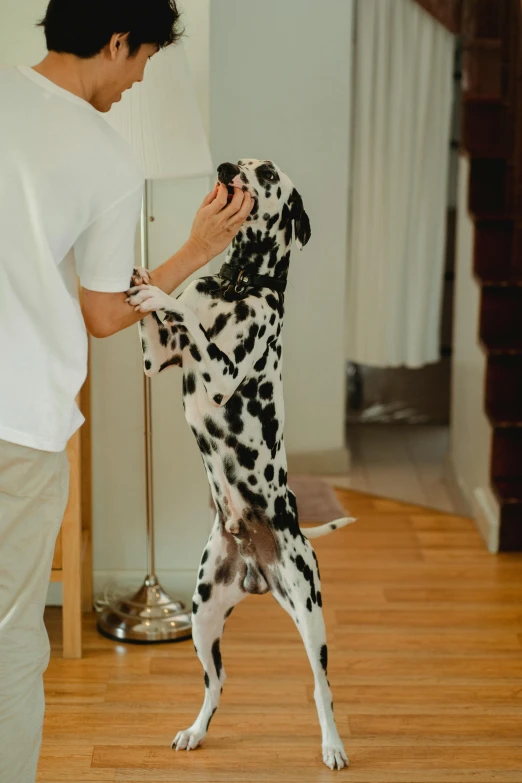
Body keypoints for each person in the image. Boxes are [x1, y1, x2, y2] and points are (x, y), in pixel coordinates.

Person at [0, 1, 253, 780]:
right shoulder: (104, 155)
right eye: (143, 57)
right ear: (115, 43)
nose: (141, 76)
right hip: (17, 427)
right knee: (8, 639)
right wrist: (197, 249)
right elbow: (107, 312)